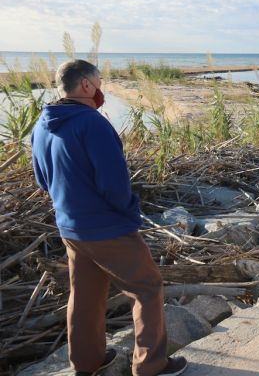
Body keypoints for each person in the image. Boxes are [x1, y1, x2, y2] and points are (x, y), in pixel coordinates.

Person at [31, 59, 187, 376]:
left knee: (86, 295)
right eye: (99, 80)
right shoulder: (93, 123)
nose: (102, 87)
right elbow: (114, 183)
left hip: (70, 226)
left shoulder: (43, 124)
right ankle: (151, 365)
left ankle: (86, 363)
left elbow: (41, 179)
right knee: (147, 287)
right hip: (106, 227)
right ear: (86, 85)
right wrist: (130, 212)